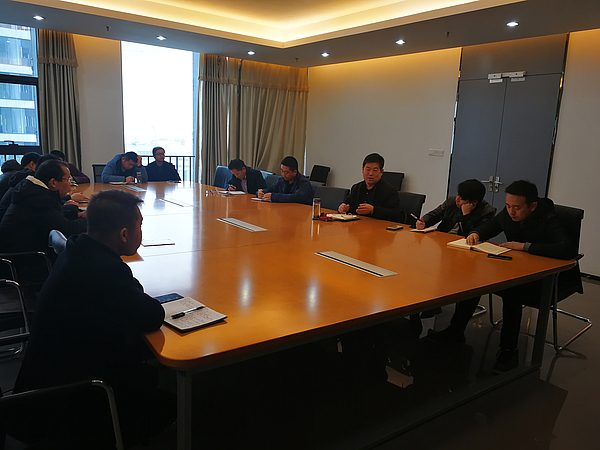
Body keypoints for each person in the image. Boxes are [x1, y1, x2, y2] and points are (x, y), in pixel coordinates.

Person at [10, 189, 173, 447]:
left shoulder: (78, 248)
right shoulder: (104, 272)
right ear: (124, 234)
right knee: (176, 403)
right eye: (140, 225)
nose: (142, 232)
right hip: (71, 402)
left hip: (43, 382)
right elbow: (152, 315)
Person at [464, 180, 577, 372]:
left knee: (512, 293)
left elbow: (566, 249)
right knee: (475, 279)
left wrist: (524, 246)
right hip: (516, 269)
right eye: (508, 206)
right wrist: (475, 233)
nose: (511, 212)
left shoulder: (548, 218)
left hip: (546, 278)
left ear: (532, 206)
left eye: (516, 208)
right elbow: (491, 226)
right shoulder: (508, 213)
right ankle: (455, 330)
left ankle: (509, 350)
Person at [418, 179, 496, 337]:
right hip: (443, 250)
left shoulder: (487, 212)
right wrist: (423, 221)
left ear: (473, 203)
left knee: (472, 284)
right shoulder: (451, 202)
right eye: (458, 195)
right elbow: (433, 215)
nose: (457, 199)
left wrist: (466, 215)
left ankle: (455, 330)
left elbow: (473, 235)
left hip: (468, 258)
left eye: (462, 198)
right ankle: (430, 304)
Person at [0, 159, 87, 255]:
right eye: (67, 179)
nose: (70, 184)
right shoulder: (39, 198)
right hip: (22, 256)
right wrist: (92, 219)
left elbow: (52, 217)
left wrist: (77, 214)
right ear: (53, 182)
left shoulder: (32, 189)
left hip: (19, 248)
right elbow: (67, 229)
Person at [338, 153, 400, 222]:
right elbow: (347, 202)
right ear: (362, 170)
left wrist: (373, 210)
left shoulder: (389, 190)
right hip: (357, 225)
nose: (370, 173)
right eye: (368, 169)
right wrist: (343, 207)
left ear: (381, 172)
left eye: (375, 170)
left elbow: (395, 214)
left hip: (377, 226)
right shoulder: (356, 188)